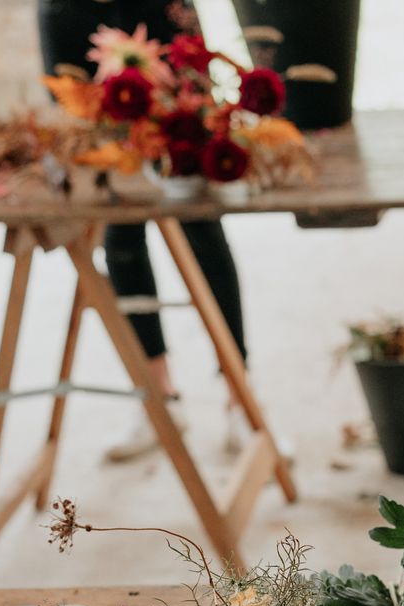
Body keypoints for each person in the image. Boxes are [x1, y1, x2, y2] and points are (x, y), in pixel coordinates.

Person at [37, 0, 250, 462]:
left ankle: (240, 398)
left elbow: (194, 83)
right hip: (81, 41)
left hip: (156, 20)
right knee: (120, 223)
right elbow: (67, 111)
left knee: (200, 218)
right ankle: (160, 401)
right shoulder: (59, 12)